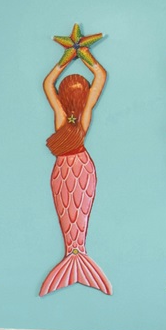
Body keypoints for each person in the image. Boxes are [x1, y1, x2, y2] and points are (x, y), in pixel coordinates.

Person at [39, 25, 112, 297]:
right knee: (77, 213)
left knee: (68, 212)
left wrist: (67, 56)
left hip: (63, 168)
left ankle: (74, 253)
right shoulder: (85, 116)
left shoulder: (60, 115)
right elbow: (101, 75)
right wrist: (84, 54)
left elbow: (47, 84)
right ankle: (76, 253)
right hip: (82, 165)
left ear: (62, 96)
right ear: (85, 96)